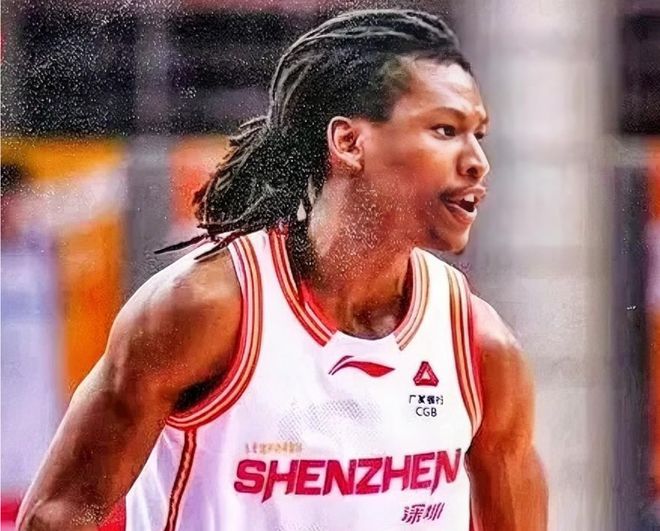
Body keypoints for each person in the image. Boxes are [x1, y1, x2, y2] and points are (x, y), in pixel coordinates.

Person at [18, 9, 548, 531]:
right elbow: (57, 515)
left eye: (478, 134)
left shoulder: (479, 345)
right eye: (445, 130)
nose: (477, 161)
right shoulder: (205, 310)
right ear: (349, 143)